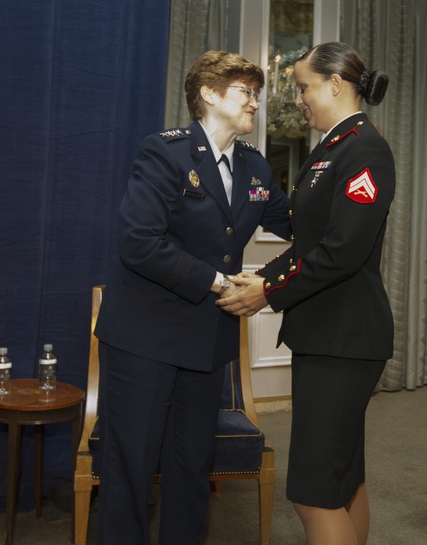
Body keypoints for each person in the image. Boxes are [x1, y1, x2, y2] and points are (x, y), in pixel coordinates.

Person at [94, 50, 291, 544]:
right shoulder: (165, 152)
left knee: (189, 471)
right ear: (208, 93)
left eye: (256, 94)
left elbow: (299, 225)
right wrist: (221, 283)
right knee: (130, 472)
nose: (255, 103)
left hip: (205, 344)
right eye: (246, 91)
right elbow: (139, 242)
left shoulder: (256, 169)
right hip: (145, 338)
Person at [219, 41, 395, 545]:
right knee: (341, 479)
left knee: (312, 492)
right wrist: (265, 275)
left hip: (345, 338)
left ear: (335, 84)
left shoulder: (364, 150)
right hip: (329, 335)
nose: (298, 98)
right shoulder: (333, 148)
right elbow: (310, 240)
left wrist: (267, 291)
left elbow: (342, 251)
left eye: (303, 87)